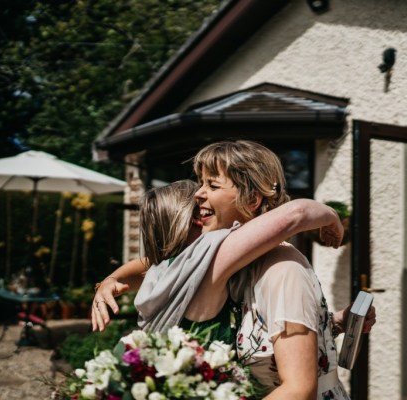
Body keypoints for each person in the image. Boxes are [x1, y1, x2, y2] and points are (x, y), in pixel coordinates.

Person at [93, 140, 376, 399]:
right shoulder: (231, 265)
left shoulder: (281, 270)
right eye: (200, 183)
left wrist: (332, 322)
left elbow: (298, 388)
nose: (198, 195)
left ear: (252, 200)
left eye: (212, 186)